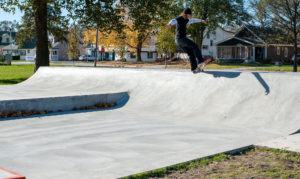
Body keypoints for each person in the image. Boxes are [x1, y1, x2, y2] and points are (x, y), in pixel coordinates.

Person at [167, 8, 213, 73]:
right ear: (185, 14)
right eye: (189, 15)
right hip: (181, 39)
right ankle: (200, 62)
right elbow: (173, 20)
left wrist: (201, 20)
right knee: (195, 46)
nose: (190, 16)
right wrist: (169, 24)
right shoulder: (179, 18)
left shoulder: (187, 20)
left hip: (178, 41)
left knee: (190, 53)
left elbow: (193, 20)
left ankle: (193, 68)